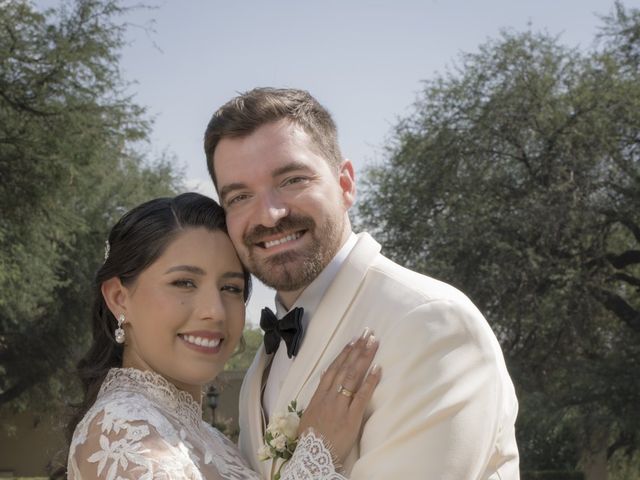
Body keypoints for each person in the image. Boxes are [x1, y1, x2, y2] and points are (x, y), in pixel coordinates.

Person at [203, 88, 520, 479]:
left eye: (292, 179)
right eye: (239, 197)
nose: (269, 215)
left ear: (346, 184)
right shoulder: (260, 366)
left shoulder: (431, 324)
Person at [66, 192, 381, 479]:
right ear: (119, 298)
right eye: (184, 283)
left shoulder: (208, 437)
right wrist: (317, 456)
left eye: (231, 288)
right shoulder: (121, 427)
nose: (215, 311)